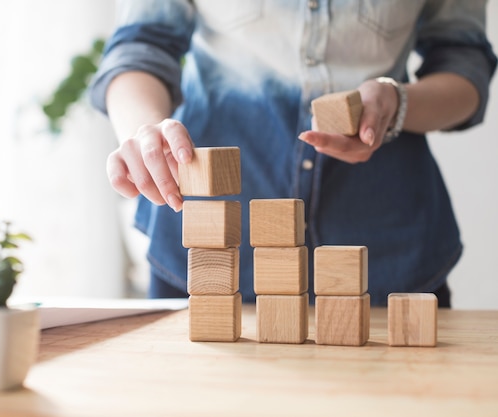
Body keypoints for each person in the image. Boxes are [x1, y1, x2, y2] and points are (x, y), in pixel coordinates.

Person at [90, 0, 496, 307]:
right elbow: (140, 43)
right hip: (207, 254)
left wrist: (397, 101)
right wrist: (144, 130)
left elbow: (464, 61)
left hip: (388, 249)